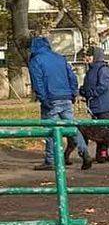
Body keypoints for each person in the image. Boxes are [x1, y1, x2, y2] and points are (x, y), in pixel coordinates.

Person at [27, 36, 92, 171]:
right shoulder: (59, 58)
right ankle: (84, 151)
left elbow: (37, 81)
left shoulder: (36, 60)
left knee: (50, 130)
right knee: (72, 127)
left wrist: (43, 98)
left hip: (50, 98)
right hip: (66, 97)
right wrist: (73, 93)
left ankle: (50, 160)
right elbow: (72, 77)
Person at [80, 45, 109, 161]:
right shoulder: (91, 69)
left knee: (105, 131)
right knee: (98, 130)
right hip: (94, 104)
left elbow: (103, 86)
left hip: (104, 104)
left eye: (89, 56)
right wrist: (83, 90)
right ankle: (102, 154)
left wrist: (89, 92)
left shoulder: (103, 69)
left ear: (95, 56)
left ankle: (105, 154)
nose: (86, 58)